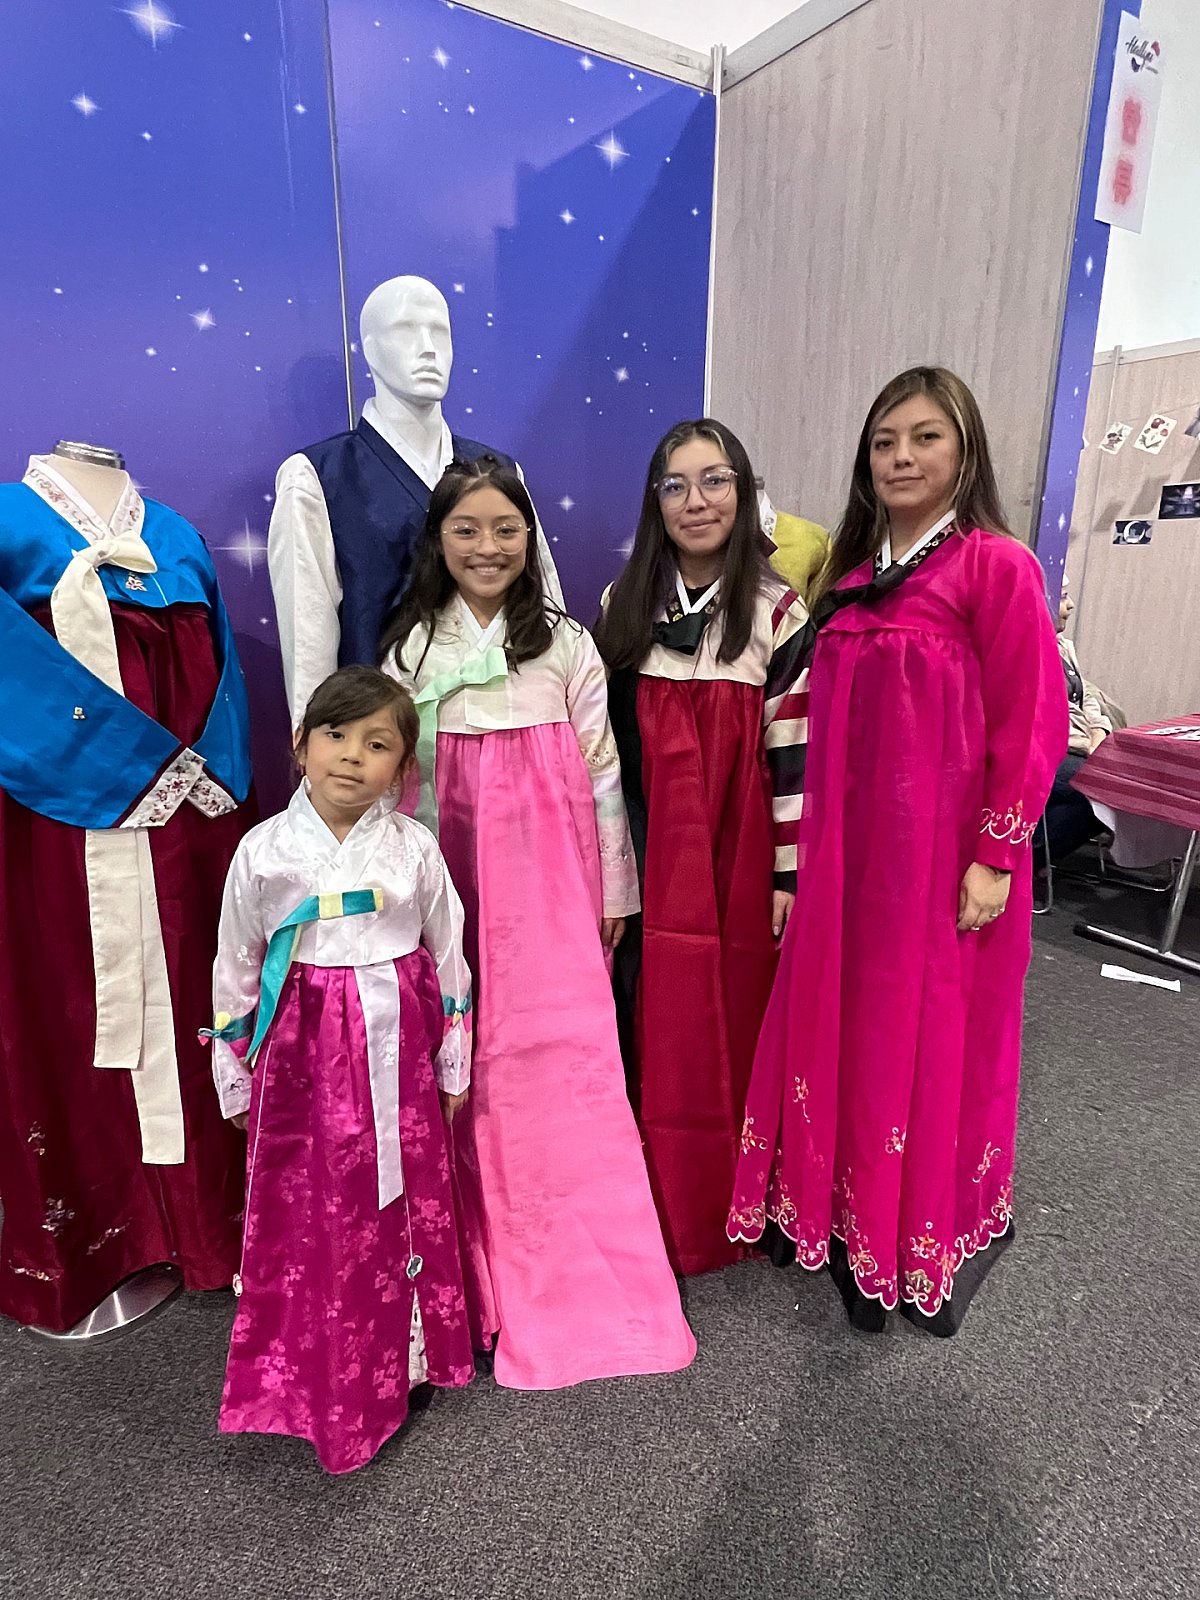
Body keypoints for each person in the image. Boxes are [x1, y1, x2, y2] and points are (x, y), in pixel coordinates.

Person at [727, 367, 1068, 1335]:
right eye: (885, 441)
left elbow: (1033, 719)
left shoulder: (996, 568)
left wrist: (996, 855)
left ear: (965, 451)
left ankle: (916, 1234)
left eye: (925, 437)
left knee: (930, 1041)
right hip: (849, 863)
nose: (902, 457)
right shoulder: (848, 580)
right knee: (854, 1033)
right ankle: (850, 1221)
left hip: (942, 865)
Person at [381, 457, 696, 1391]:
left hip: (556, 893)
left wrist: (614, 892)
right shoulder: (411, 650)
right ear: (438, 540)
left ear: (530, 537)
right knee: (468, 1062)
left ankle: (583, 1265)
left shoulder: (565, 644)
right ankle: (471, 1272)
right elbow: (397, 792)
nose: (488, 547)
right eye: (467, 529)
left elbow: (602, 772)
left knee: (566, 1059)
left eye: (506, 529)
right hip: (454, 890)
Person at [207, 666, 475, 1474]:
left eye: (377, 743)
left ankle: (408, 1355)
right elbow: (235, 963)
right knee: (315, 1210)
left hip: (399, 1050)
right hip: (303, 1059)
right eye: (335, 735)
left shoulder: (414, 847)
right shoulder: (263, 851)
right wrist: (234, 1069)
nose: (352, 756)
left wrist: (453, 1055)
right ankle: (315, 1368)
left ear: (401, 768)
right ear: (300, 746)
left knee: (400, 1200)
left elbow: (448, 948)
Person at [594, 419, 811, 1278]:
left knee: (737, 1007)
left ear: (744, 492)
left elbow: (796, 752)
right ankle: (653, 1195)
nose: (696, 501)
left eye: (715, 480)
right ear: (655, 502)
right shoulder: (623, 602)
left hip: (739, 846)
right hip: (649, 845)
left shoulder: (777, 610)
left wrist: (788, 870)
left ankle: (740, 1194)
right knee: (650, 1007)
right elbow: (600, 750)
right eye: (676, 485)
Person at [1040, 578, 1120, 863]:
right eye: (1063, 597)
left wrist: (1098, 734)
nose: (1071, 605)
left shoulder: (1063, 646)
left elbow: (1087, 698)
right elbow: (1045, 718)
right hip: (1050, 751)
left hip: (1079, 747)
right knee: (1105, 791)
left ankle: (1035, 860)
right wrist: (1086, 747)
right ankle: (1020, 863)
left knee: (1118, 789)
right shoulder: (1032, 649)